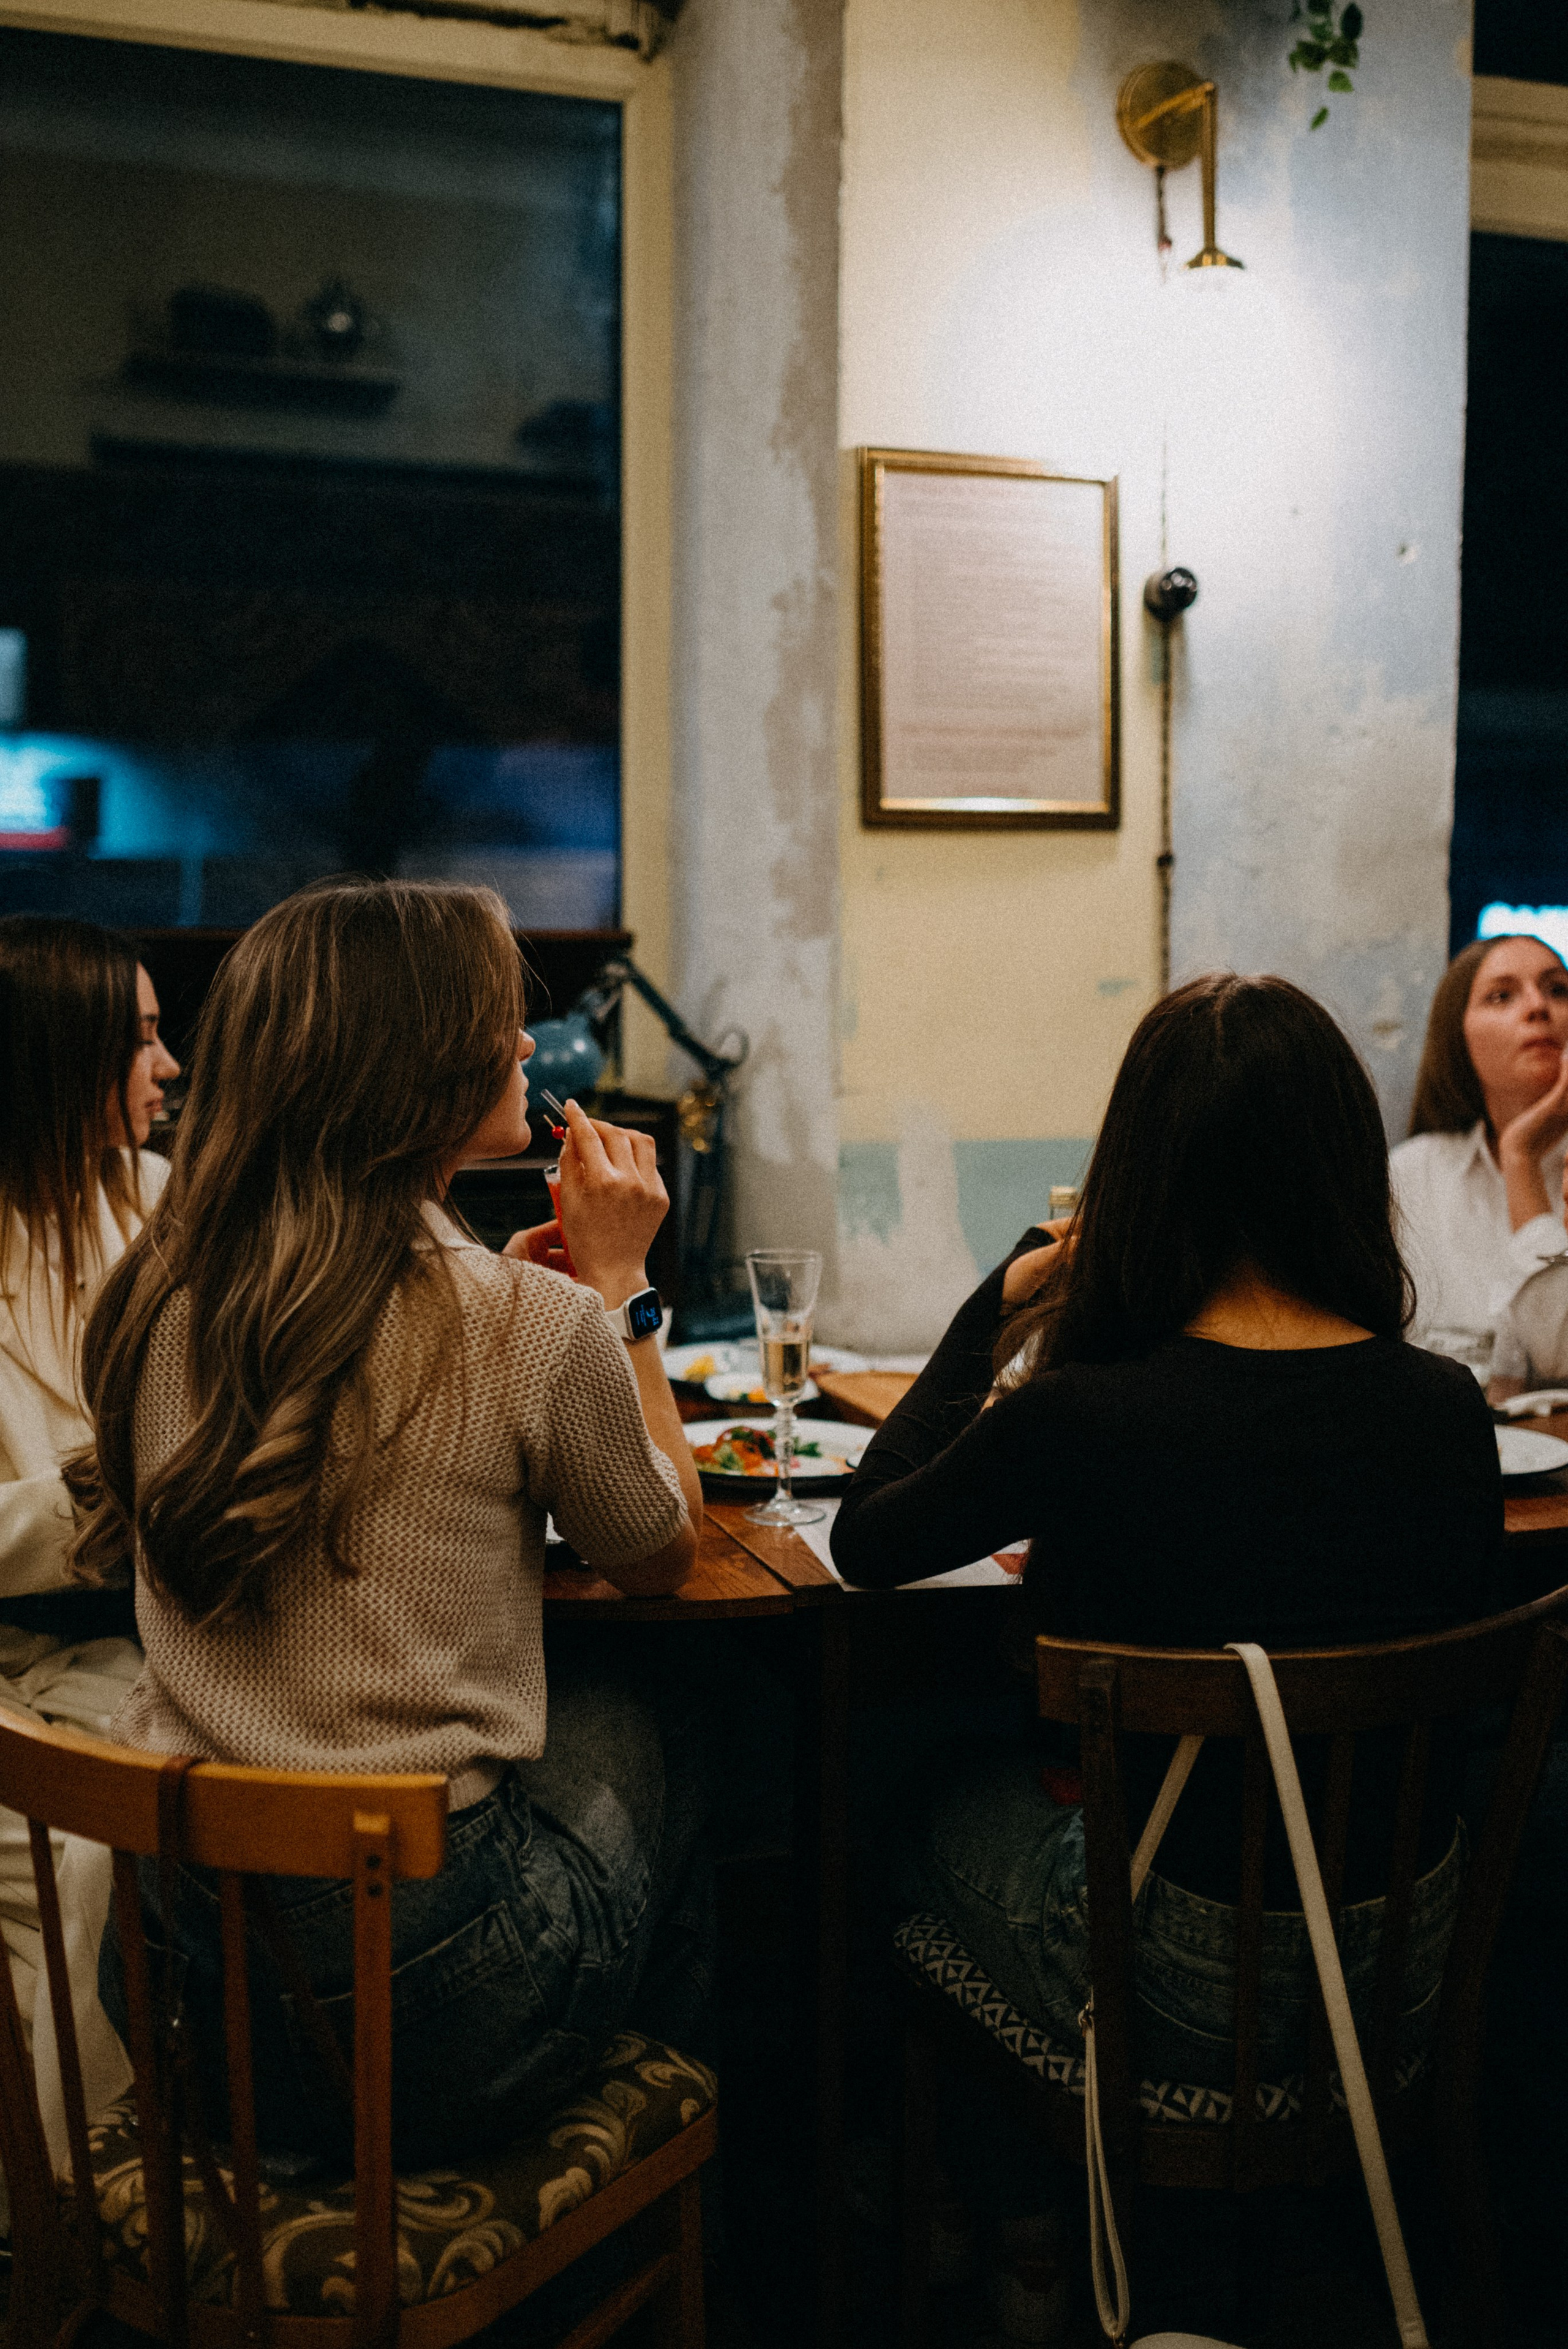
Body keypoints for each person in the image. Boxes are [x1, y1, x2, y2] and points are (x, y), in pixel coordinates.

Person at [77, 879, 710, 2171]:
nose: (529, 1045)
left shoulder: (158, 1290)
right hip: (423, 2008)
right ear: (411, 1065)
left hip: (182, 1980)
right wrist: (620, 1292)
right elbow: (659, 1550)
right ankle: (652, 2219)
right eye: (498, 1019)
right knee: (684, 1723)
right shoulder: (520, 1324)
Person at [832, 974, 1502, 2105]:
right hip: (1403, 1965)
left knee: (902, 1793)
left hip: (1174, 1985)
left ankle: (990, 2226)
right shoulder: (1447, 1405)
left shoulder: (1081, 1413)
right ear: (1343, 1163)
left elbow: (865, 1536)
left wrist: (995, 1301)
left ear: (1139, 1172)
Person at [0, 915, 179, 2063]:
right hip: (14, 1665)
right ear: (58, 1059)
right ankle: (82, 2206)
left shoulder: (164, 1203)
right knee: (87, 1846)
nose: (170, 1066)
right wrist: (104, 1488)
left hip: (136, 1640)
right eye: (143, 1039)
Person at [1392, 932, 1568, 1393]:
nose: (1537, 1007)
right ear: (1459, 1036)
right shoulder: (1412, 1175)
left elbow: (1562, 1355)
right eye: (1502, 996)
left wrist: (1522, 1157)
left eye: (1558, 990)